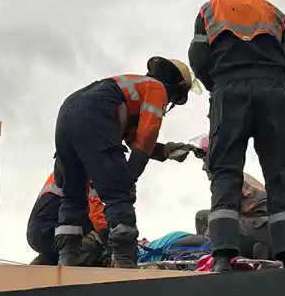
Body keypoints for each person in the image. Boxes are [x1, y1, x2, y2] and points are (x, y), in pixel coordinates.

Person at [188, 0, 285, 271]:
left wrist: (221, 86)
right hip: (273, 91)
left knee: (225, 170)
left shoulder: (210, 9)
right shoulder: (275, 13)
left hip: (229, 89)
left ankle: (223, 256)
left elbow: (198, 58)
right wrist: (271, 83)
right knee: (280, 172)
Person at [52, 58, 197, 268]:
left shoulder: (130, 88)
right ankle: (125, 263)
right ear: (176, 87)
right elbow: (147, 133)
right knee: (118, 197)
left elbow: (132, 135)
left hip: (67, 113)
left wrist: (165, 150)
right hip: (95, 115)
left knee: (73, 196)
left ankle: (67, 261)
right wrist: (129, 176)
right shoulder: (156, 89)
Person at [26, 168, 107, 265]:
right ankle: (74, 269)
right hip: (53, 231)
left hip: (38, 232)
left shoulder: (66, 162)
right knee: (97, 238)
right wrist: (112, 244)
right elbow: (97, 215)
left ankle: (43, 266)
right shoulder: (91, 166)